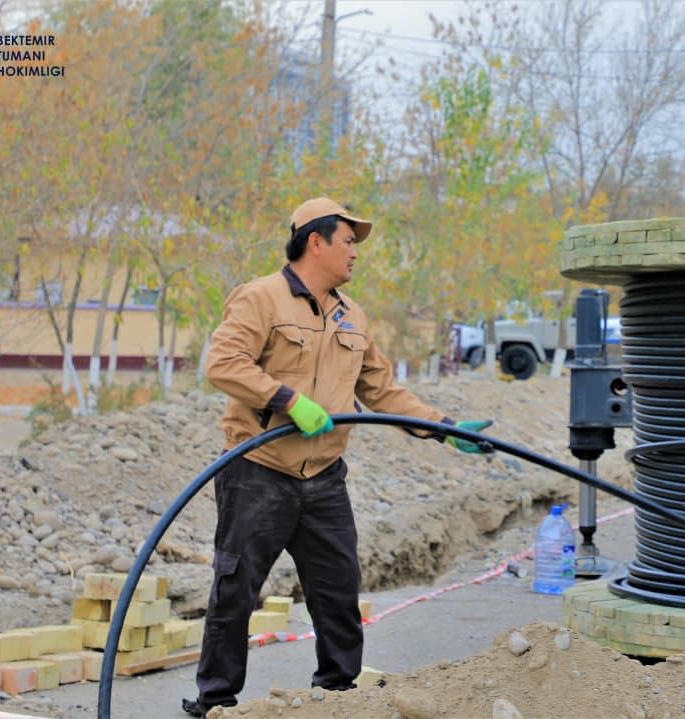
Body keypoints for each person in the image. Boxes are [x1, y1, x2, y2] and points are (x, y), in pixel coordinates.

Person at [184, 198, 494, 717]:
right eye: (349, 242)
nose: (356, 253)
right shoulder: (261, 298)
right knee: (235, 590)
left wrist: (443, 428)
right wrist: (287, 400)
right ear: (316, 242)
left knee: (339, 592)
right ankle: (216, 703)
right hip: (259, 473)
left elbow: (382, 392)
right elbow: (222, 363)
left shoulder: (353, 316)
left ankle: (336, 698)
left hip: (324, 477)